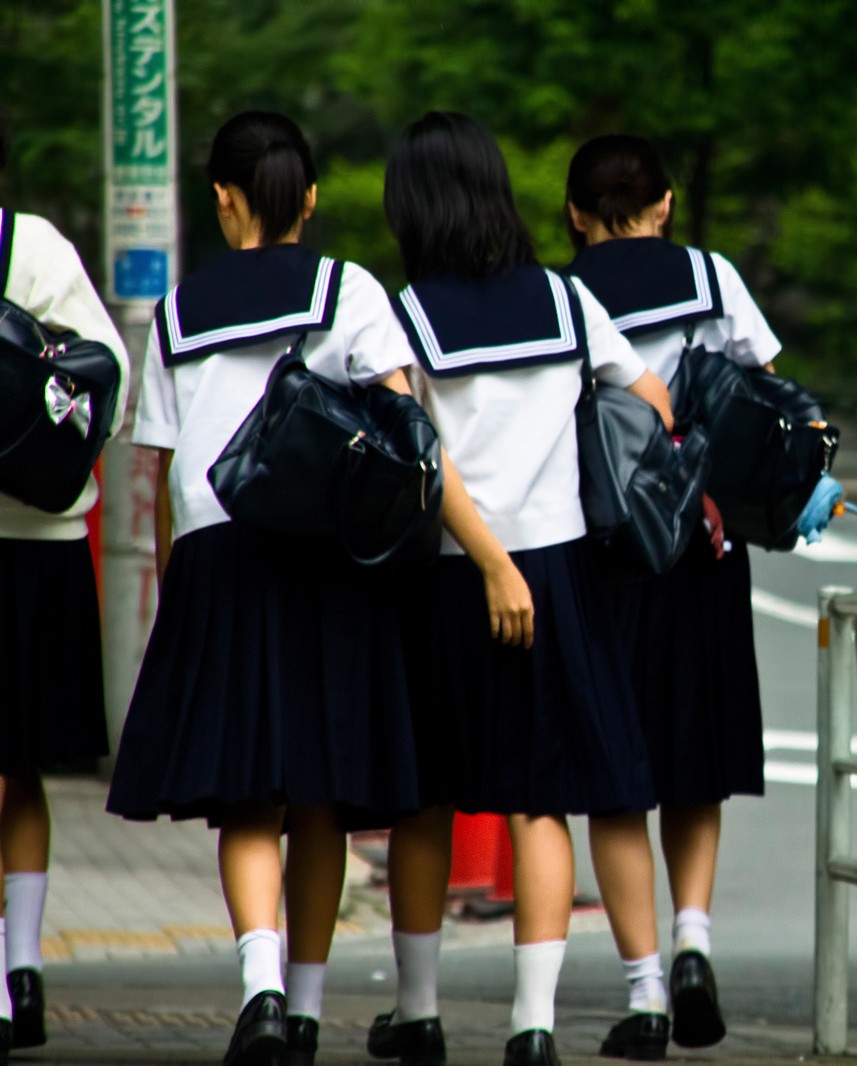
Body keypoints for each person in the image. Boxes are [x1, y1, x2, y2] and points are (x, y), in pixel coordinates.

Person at [104, 110, 533, 1066]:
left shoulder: (175, 313)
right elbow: (402, 430)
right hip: (329, 562)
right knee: (320, 792)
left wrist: (180, 591)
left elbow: (163, 473)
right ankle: (301, 1009)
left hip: (218, 558)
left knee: (247, 799)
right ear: (308, 201)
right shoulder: (349, 290)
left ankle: (257, 988)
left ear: (223, 200)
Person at [369, 112, 672, 1066]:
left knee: (425, 799)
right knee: (538, 798)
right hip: (559, 570)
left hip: (451, 571)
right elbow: (651, 400)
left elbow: (420, 459)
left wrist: (490, 557)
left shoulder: (402, 314)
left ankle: (417, 1016)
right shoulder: (563, 299)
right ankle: (532, 1026)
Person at [565, 134, 781, 1053]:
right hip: (702, 545)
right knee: (696, 751)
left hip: (601, 553)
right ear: (664, 206)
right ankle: (694, 934)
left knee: (616, 777)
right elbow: (766, 396)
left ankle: (646, 992)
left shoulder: (562, 296)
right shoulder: (711, 275)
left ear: (575, 215)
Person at [0, 107, 131, 1065]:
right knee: (26, 761)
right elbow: (106, 375)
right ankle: (25, 962)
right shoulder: (32, 243)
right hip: (43, 537)